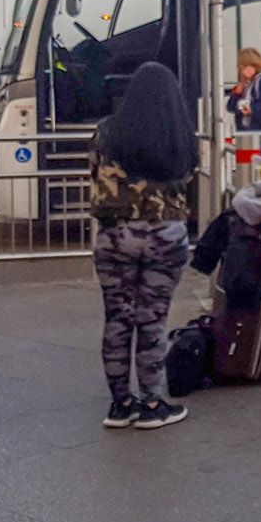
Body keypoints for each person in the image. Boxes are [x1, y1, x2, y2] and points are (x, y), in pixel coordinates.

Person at [90, 61, 193, 430]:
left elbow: (94, 171)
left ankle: (120, 405)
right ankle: (152, 403)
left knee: (117, 318)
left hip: (114, 236)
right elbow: (186, 176)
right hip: (165, 236)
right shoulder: (180, 133)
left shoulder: (106, 132)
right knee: (153, 320)